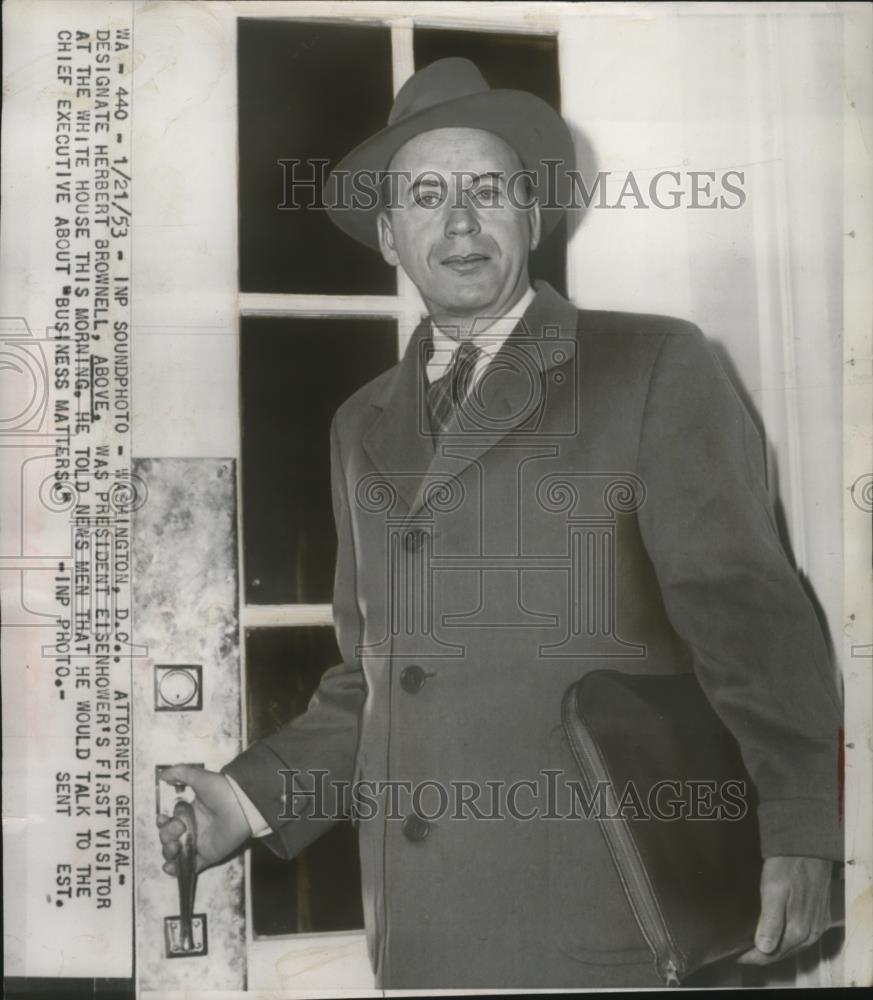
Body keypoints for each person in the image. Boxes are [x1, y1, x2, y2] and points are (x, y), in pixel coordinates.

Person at [157, 58, 842, 989]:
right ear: (389, 237)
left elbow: (748, 615)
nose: (461, 221)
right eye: (425, 196)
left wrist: (799, 827)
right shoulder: (359, 423)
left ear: (532, 214)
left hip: (614, 924)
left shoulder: (652, 366)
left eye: (488, 189)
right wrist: (244, 800)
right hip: (420, 937)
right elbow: (379, 679)